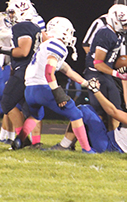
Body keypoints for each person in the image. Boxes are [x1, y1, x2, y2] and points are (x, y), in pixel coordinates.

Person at [13, 17, 94, 153]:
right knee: (76, 114)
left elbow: (67, 70)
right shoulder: (57, 45)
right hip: (42, 88)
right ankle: (87, 150)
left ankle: (19, 140)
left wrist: (86, 83)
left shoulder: (45, 46)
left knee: (36, 115)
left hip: (30, 90)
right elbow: (49, 71)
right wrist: (57, 92)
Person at [0, 0, 43, 148]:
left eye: (13, 11)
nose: (11, 15)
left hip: (24, 70)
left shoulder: (22, 26)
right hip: (32, 71)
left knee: (7, 102)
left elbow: (23, 51)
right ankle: (31, 142)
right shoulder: (35, 26)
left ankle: (23, 140)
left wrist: (2, 50)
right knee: (30, 109)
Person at [73, 77, 127, 153]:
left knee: (83, 110)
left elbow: (113, 112)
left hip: (111, 147)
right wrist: (125, 79)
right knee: (88, 109)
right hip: (113, 143)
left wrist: (96, 91)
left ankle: (84, 149)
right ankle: (69, 145)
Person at [83, 4, 127, 131]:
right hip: (95, 75)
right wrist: (117, 74)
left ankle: (114, 141)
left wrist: (121, 68)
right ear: (115, 20)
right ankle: (88, 142)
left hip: (105, 75)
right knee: (97, 112)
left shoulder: (116, 34)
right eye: (125, 24)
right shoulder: (105, 34)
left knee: (115, 110)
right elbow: (98, 63)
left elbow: (109, 60)